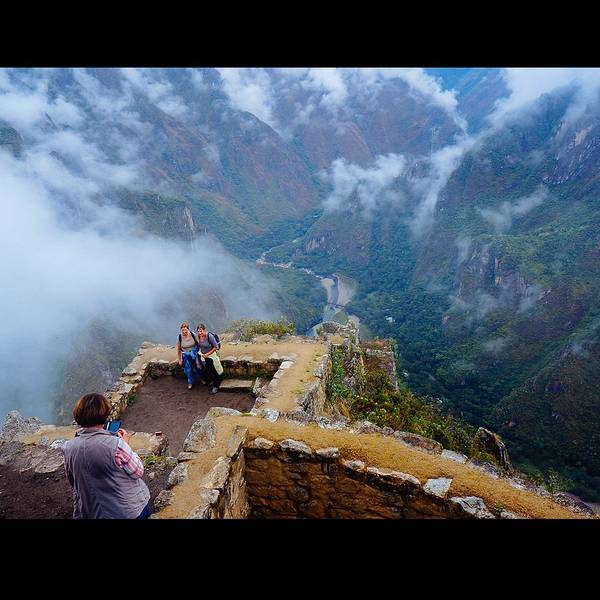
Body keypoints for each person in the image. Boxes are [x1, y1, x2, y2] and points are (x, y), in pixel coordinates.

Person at [62, 393, 151, 519]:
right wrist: (126, 445)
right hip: (126, 512)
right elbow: (138, 471)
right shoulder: (116, 445)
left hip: (91, 512)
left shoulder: (68, 447)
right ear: (104, 416)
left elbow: (73, 480)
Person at [195, 323, 223, 394]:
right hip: (204, 356)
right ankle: (215, 381)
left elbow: (216, 347)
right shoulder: (199, 336)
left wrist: (207, 354)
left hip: (211, 356)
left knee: (213, 370)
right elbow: (200, 346)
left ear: (204, 330)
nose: (200, 333)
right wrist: (200, 353)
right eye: (198, 331)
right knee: (208, 370)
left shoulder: (209, 336)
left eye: (201, 331)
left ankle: (216, 386)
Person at [176, 321, 201, 390]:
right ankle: (190, 382)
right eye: (182, 330)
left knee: (198, 366)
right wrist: (180, 360)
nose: (184, 332)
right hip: (185, 355)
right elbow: (178, 349)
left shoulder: (193, 334)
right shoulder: (179, 337)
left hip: (194, 353)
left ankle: (201, 378)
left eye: (185, 330)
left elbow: (198, 344)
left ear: (188, 329)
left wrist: (200, 352)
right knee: (188, 369)